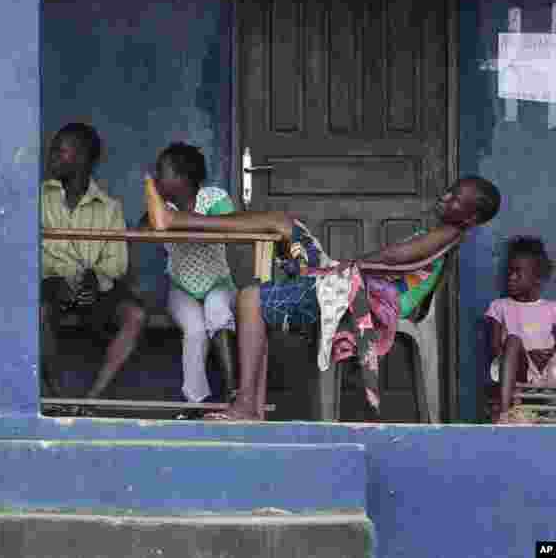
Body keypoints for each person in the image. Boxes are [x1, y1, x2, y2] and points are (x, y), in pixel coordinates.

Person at [144, 174, 501, 421]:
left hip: (353, 291)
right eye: (450, 191)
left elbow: (396, 258)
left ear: (470, 217)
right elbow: (397, 261)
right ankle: (176, 221)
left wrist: (349, 266)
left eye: (455, 199)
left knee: (250, 296)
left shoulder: (445, 233)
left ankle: (245, 406)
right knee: (284, 226)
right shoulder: (449, 233)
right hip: (351, 284)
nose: (445, 197)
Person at [41, 123, 147, 407]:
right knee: (36, 310)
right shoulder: (39, 198)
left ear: (82, 158)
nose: (50, 157)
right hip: (52, 285)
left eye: (59, 152)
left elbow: (116, 262)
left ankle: (92, 399)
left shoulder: (110, 207)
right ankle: (55, 394)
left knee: (135, 316)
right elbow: (28, 251)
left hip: (94, 290)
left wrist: (94, 280)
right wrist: (56, 278)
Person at [148, 143, 238, 416]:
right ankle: (194, 401)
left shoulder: (214, 198)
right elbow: (147, 226)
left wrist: (178, 220)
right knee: (195, 330)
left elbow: (229, 226)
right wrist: (151, 194)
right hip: (181, 286)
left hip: (218, 281)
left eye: (161, 173)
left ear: (181, 177)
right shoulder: (162, 207)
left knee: (218, 311)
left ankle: (234, 390)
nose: (157, 178)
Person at [487, 236, 556, 424]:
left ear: (536, 278)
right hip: (517, 368)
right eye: (510, 271)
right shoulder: (500, 306)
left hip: (548, 369)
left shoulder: (552, 308)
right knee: (513, 340)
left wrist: (547, 354)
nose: (511, 277)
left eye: (518, 272)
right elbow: (495, 349)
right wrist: (525, 354)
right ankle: (506, 412)